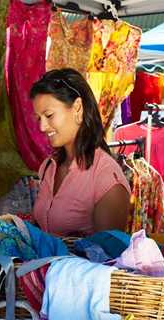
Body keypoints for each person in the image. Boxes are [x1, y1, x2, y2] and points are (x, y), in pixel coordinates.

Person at [30, 68, 130, 237]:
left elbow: (104, 258)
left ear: (77, 107)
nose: (42, 127)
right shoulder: (48, 167)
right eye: (39, 118)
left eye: (49, 115)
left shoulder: (106, 178)